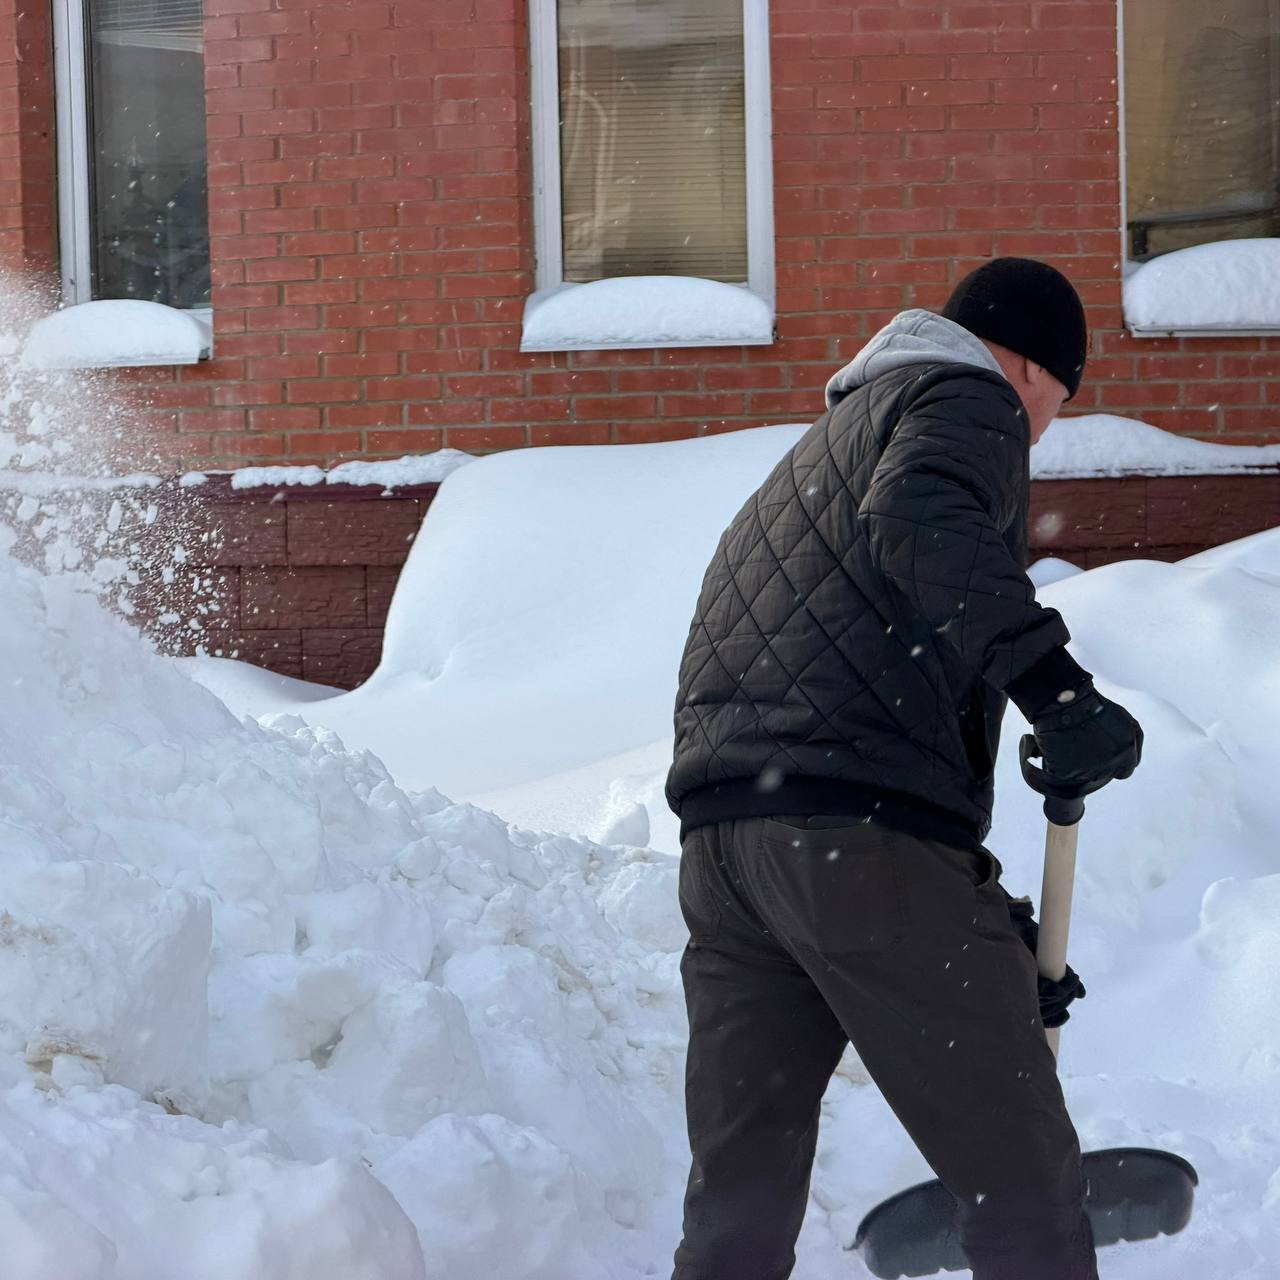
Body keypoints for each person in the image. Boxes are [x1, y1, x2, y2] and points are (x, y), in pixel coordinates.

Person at [665, 258, 1144, 1280]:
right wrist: (1054, 689)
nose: (1045, 429)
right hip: (849, 834)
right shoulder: (966, 398)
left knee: (736, 1211)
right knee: (1020, 1176)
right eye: (1058, 399)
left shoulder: (816, 452)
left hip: (726, 848)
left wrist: (970, 920)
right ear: (1024, 364)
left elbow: (833, 677)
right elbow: (920, 521)